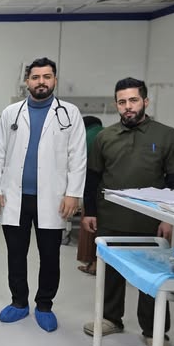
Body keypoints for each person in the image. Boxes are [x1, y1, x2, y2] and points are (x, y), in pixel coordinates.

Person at [82, 77, 174, 346]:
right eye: (122, 102)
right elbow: (93, 178)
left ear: (145, 101)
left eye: (133, 100)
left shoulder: (165, 135)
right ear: (116, 104)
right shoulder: (105, 137)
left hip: (151, 222)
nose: (127, 106)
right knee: (111, 273)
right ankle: (110, 318)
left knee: (153, 277)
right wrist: (90, 212)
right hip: (111, 218)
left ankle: (154, 331)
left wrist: (167, 218)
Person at [0, 57, 86, 332]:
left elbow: (78, 156)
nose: (41, 82)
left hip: (53, 198)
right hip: (15, 197)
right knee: (16, 254)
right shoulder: (11, 113)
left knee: (50, 256)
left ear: (54, 80)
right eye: (35, 77)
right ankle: (19, 302)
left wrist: (73, 194)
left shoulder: (69, 113)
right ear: (27, 81)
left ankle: (44, 305)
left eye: (46, 76)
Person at [77, 116, 104, 276]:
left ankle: (93, 264)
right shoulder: (107, 133)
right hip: (111, 192)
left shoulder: (85, 137)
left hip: (92, 190)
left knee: (91, 228)